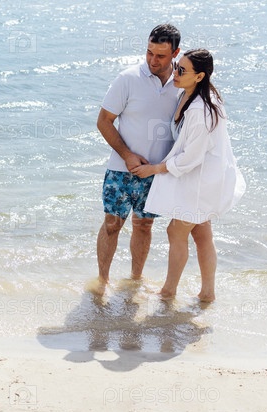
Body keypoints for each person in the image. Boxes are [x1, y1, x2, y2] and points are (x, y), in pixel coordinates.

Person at [132, 49, 246, 302]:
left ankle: (168, 291)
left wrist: (154, 169)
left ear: (199, 76)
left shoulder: (200, 110)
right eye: (176, 66)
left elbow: (189, 158)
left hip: (202, 181)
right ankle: (207, 293)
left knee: (176, 231)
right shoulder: (188, 94)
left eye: (182, 71)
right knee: (202, 233)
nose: (175, 73)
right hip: (198, 178)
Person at [95, 24, 182, 292]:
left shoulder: (182, 84)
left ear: (176, 53)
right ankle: (102, 282)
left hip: (156, 173)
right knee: (112, 224)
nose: (153, 60)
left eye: (161, 56)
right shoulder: (128, 79)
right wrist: (127, 155)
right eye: (149, 52)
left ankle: (134, 282)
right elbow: (104, 121)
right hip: (121, 169)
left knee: (144, 226)